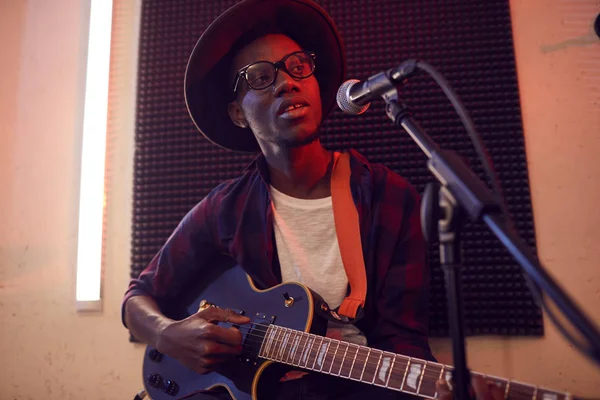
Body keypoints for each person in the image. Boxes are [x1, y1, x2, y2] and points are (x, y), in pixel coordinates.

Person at [122, 0, 438, 398]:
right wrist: (168, 334)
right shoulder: (223, 210)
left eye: (299, 66)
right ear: (239, 113)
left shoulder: (389, 197)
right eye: (259, 76)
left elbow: (404, 341)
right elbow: (137, 298)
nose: (287, 81)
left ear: (317, 86)